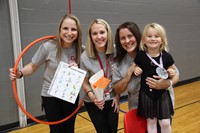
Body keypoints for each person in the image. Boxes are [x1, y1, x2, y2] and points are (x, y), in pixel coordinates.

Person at [9, 14, 82, 133]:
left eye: (73, 29)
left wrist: (78, 67)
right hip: (50, 96)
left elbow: (86, 71)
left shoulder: (81, 49)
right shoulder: (48, 46)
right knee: (56, 130)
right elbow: (33, 66)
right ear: (60, 30)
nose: (69, 32)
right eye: (65, 28)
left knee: (69, 129)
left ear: (78, 32)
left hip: (70, 95)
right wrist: (20, 73)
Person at [112, 22, 179, 133]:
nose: (127, 41)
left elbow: (176, 74)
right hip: (142, 102)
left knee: (164, 124)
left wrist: (168, 82)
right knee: (150, 125)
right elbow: (117, 88)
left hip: (162, 98)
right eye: (123, 38)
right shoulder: (127, 60)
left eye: (130, 36)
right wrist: (129, 74)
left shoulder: (159, 53)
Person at [133, 23, 177, 133]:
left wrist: (171, 72)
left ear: (162, 40)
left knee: (165, 123)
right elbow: (135, 66)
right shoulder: (140, 56)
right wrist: (136, 69)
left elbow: (174, 72)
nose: (153, 39)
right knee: (151, 122)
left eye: (156, 36)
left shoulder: (166, 56)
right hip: (146, 94)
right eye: (149, 36)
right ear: (143, 40)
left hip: (162, 94)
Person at [80, 19, 120, 133]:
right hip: (93, 101)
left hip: (112, 98)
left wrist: (117, 96)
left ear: (108, 33)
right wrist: (93, 97)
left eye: (102, 32)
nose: (99, 36)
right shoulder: (85, 57)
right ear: (90, 37)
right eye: (95, 33)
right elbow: (85, 82)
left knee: (113, 130)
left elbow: (119, 78)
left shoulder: (116, 51)